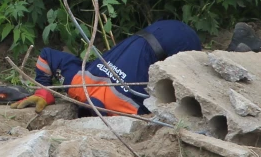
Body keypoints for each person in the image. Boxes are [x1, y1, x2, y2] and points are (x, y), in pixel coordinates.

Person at [11, 20, 202, 115]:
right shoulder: (79, 86)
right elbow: (46, 56)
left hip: (165, 36)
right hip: (162, 31)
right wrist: (44, 89)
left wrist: (43, 89)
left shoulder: (130, 109)